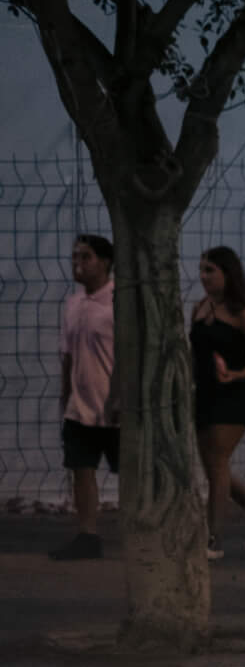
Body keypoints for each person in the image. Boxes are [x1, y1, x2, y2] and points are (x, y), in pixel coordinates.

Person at [189, 245, 245, 557]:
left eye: (210, 271)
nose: (203, 277)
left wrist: (238, 374)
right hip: (203, 394)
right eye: (201, 270)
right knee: (216, 468)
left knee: (217, 465)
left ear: (228, 274)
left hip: (233, 397)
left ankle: (211, 540)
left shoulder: (244, 314)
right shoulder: (199, 308)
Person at [50, 235, 118, 562]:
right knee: (82, 470)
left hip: (115, 406)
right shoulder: (73, 303)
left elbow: (129, 356)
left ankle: (145, 533)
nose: (78, 262)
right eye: (75, 255)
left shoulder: (119, 301)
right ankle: (88, 536)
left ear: (105, 261)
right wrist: (66, 398)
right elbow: (68, 356)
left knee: (132, 474)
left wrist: (121, 398)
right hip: (80, 407)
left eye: (86, 256)